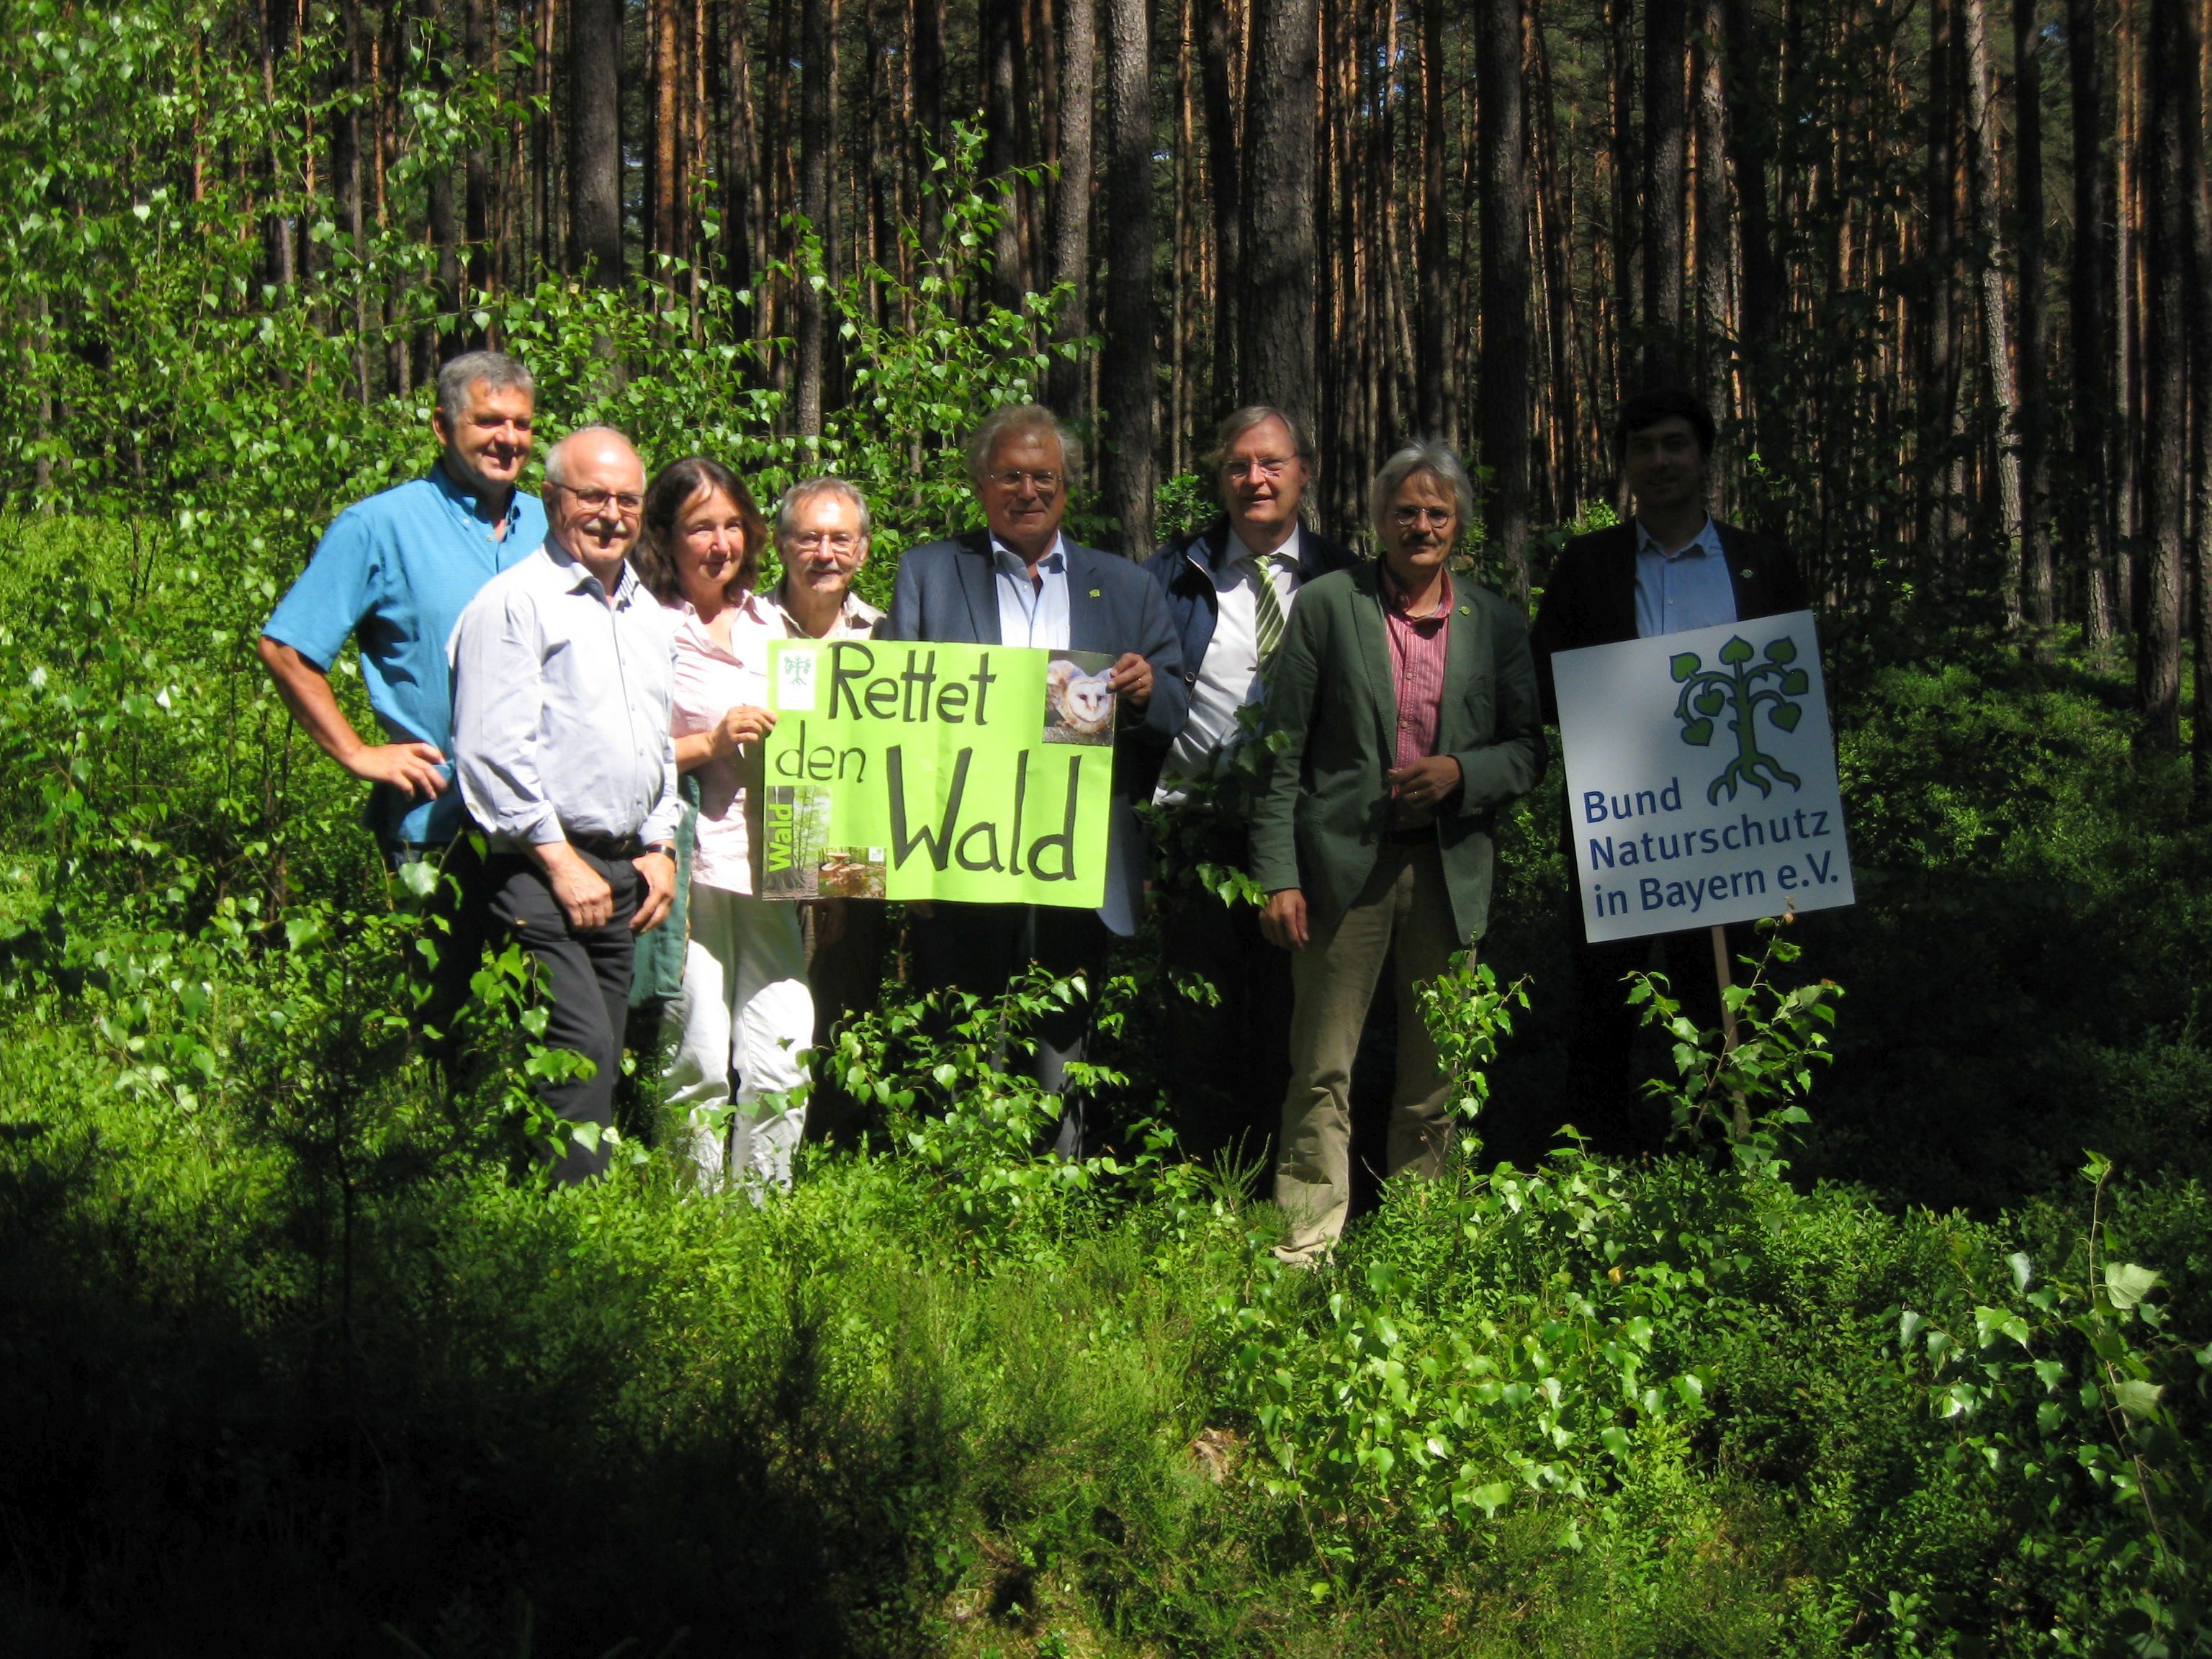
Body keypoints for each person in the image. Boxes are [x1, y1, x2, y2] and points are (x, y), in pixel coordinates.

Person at [1251, 442, 1545, 1264]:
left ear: (1459, 525)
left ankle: (1420, 1243)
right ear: (1377, 519)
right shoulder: (1327, 605)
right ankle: (1304, 1246)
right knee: (1321, 1070)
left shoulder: (1496, 621)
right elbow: (1282, 751)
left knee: (1437, 1075)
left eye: (1437, 513)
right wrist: (1278, 873)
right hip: (1341, 871)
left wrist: (1463, 773)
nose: (1421, 526)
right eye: (1405, 511)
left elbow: (1529, 750)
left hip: (1449, 872)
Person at [881, 404, 1186, 1157]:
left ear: (1068, 486)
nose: (1028, 491)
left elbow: (1175, 709)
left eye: (1044, 476)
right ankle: (962, 1188)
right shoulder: (929, 573)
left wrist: (1145, 691)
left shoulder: (1125, 586)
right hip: (960, 850)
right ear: (981, 486)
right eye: (1009, 476)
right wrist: (903, 855)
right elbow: (894, 718)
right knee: (961, 1038)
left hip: (1073, 854)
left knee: (1061, 1046)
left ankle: (1056, 1192)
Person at [1528, 387, 1808, 1154]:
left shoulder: (1762, 565)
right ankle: (1593, 1163)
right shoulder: (1588, 565)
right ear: (1625, 463)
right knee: (1605, 1001)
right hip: (1624, 829)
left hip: (1738, 829)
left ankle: (1727, 1159)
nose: (1660, 461)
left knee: (1727, 996)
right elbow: (1544, 684)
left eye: (1675, 444)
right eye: (1643, 447)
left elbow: (1800, 695)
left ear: (1705, 456)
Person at [258, 350, 545, 1027]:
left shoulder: (551, 524)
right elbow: (287, 648)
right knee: (441, 1017)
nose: (507, 438)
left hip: (545, 820)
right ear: (442, 427)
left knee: (542, 1015)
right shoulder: (379, 526)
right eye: (488, 421)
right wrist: (358, 753)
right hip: (437, 823)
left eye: (522, 424)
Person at [449, 427, 680, 1184]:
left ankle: (569, 1208)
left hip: (620, 871)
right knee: (576, 1051)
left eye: (627, 500)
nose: (612, 514)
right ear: (552, 500)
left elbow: (658, 743)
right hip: (538, 869)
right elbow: (490, 751)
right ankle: (563, 1228)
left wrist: (661, 846)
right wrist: (558, 861)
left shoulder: (646, 613)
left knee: (602, 1058)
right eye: (593, 496)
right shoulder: (515, 603)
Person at [1141, 405, 1357, 1163]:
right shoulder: (1172, 574)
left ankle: (1281, 1179)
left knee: (1293, 1020)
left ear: (1304, 473)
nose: (1255, 479)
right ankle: (1203, 1181)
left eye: (1271, 464)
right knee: (1197, 1026)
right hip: (1196, 830)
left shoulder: (1345, 578)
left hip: (1305, 835)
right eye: (1238, 465)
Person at [631, 457, 815, 1195]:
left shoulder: (776, 622)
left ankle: (762, 1214)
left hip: (776, 863)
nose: (720, 544)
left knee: (784, 1051)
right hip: (691, 866)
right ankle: (693, 1214)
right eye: (700, 527)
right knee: (699, 1055)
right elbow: (623, 752)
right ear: (665, 536)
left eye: (733, 525)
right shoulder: (646, 624)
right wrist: (711, 742)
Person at [763, 477, 889, 1146]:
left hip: (854, 840)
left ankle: (836, 1143)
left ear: (863, 550)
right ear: (781, 545)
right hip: (763, 836)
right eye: (808, 538)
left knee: (845, 985)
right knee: (769, 995)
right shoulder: (747, 626)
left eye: (841, 539)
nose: (825, 553)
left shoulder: (889, 638)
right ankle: (762, 1130)